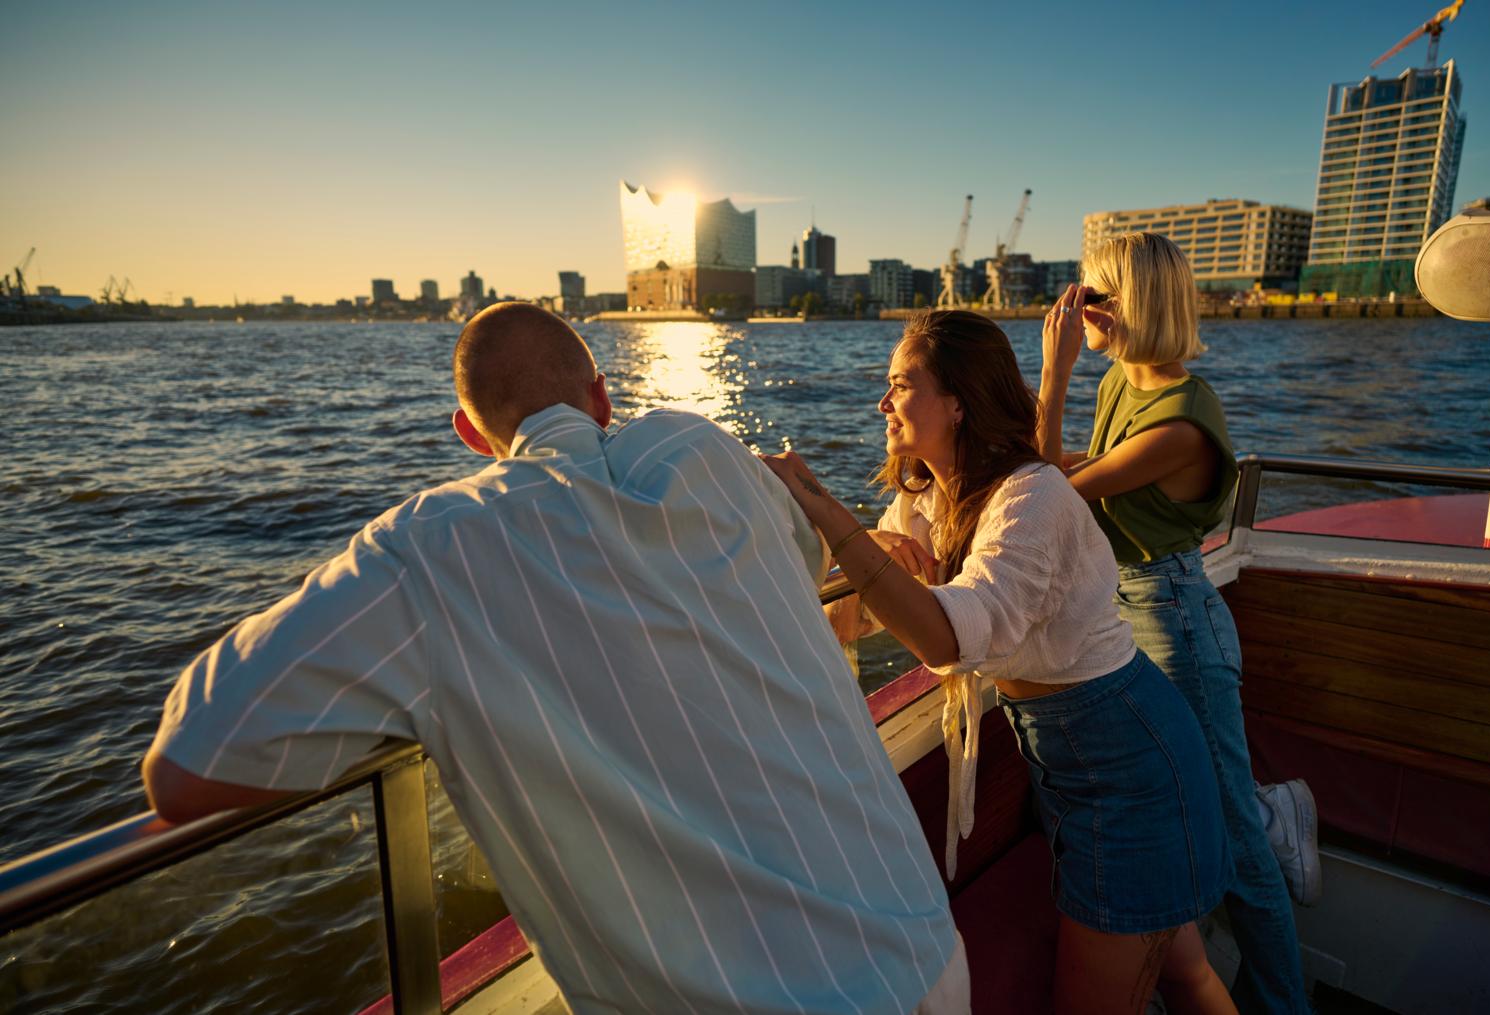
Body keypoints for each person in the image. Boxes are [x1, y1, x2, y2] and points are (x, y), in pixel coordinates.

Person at [141, 302, 967, 1015]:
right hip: (925, 949)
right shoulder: (713, 452)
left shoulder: (432, 548)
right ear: (601, 394)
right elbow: (797, 570)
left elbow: (187, 764)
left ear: (471, 435)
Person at [762, 309, 1235, 1014]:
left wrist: (827, 511)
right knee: (1181, 974)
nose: (882, 403)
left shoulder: (1032, 496)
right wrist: (840, 549)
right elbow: (851, 615)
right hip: (1072, 766)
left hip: (1133, 765)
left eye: (900, 384)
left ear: (958, 400)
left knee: (1169, 981)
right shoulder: (928, 498)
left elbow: (947, 639)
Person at [1037, 231, 1319, 1015]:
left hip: (1173, 621)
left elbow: (1049, 495)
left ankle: (1284, 1002)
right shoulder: (1121, 385)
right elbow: (1057, 471)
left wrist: (1054, 371)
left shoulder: (1181, 422)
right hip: (1122, 609)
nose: (1082, 307)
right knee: (1172, 810)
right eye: (1082, 292)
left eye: (1098, 295)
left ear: (1136, 305)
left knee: (1232, 840)